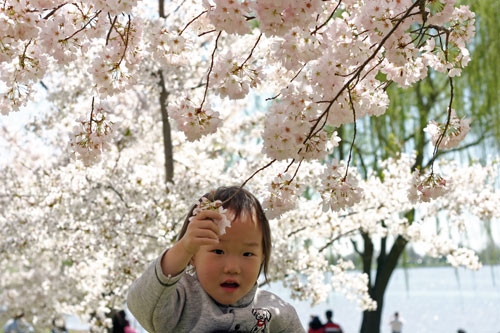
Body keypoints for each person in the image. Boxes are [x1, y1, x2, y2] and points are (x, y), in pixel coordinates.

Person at [127, 186, 305, 333]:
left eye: (247, 254)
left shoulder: (278, 313)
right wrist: (182, 249)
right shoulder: (180, 302)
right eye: (218, 251)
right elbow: (141, 302)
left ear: (262, 257)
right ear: (193, 256)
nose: (232, 268)